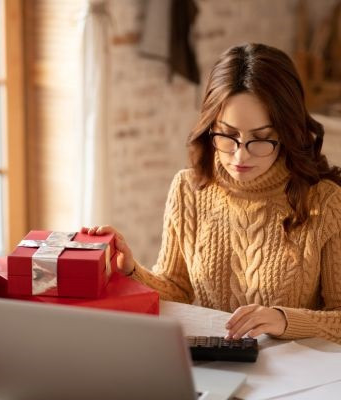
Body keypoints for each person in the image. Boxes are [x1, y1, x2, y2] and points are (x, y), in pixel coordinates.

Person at [82, 43, 341, 343]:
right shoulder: (187, 190)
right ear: (210, 128)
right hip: (214, 364)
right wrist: (130, 270)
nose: (240, 157)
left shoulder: (326, 202)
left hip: (296, 378)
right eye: (228, 136)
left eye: (261, 139)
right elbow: (176, 290)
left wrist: (283, 320)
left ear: (286, 132)